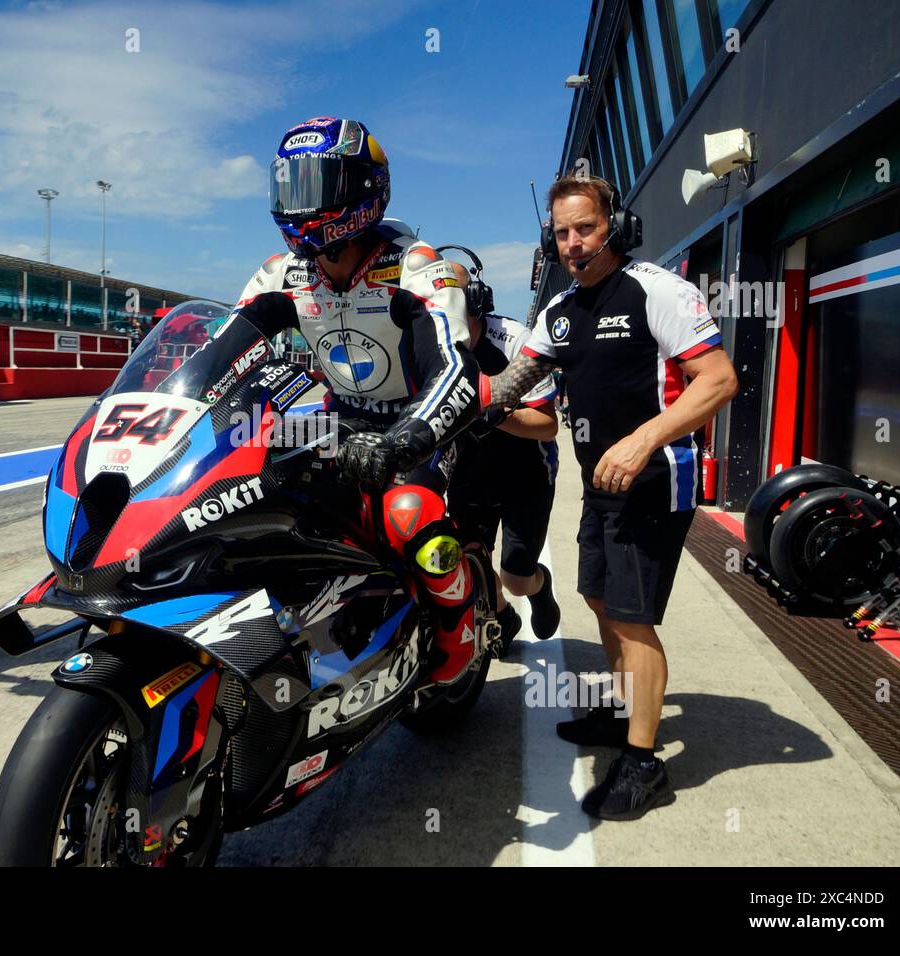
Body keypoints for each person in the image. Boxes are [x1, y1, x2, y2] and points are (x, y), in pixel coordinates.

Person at [484, 173, 738, 819]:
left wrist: (641, 440)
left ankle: (644, 762)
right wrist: (483, 405)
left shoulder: (659, 291)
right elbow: (514, 383)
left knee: (630, 616)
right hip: (599, 484)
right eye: (562, 232)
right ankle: (625, 712)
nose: (573, 243)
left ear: (614, 227)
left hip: (655, 479)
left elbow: (719, 380)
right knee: (599, 597)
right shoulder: (561, 312)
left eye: (585, 229)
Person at [226, 116, 482, 686]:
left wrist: (403, 442)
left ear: (361, 188)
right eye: (287, 187)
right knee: (240, 478)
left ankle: (458, 633)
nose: (296, 205)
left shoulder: (414, 266)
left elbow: (455, 373)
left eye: (312, 186)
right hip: (336, 420)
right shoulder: (278, 273)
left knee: (409, 514)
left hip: (414, 425)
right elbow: (225, 352)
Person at [443, 258, 561, 651]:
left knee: (514, 576)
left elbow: (548, 424)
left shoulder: (514, 340)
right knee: (466, 562)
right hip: (469, 469)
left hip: (525, 470)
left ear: (475, 302)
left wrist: (487, 416)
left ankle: (537, 588)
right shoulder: (427, 342)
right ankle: (503, 615)